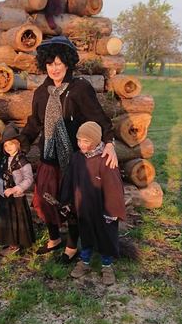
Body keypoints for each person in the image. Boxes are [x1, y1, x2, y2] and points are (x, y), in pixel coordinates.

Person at [19, 35, 118, 263]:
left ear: (67, 64)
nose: (54, 69)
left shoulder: (79, 88)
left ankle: (72, 246)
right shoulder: (41, 92)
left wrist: (109, 143)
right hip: (48, 157)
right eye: (50, 64)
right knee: (45, 200)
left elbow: (98, 117)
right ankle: (54, 239)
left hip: (74, 159)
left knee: (72, 203)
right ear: (44, 64)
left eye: (59, 63)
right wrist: (21, 142)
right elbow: (34, 122)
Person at [60, 121, 126, 285]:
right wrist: (67, 201)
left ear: (96, 141)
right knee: (86, 235)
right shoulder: (77, 158)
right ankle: (85, 262)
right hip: (83, 207)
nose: (81, 144)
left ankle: (107, 266)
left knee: (105, 237)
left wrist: (112, 212)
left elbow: (114, 187)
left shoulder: (106, 160)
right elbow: (69, 180)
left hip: (103, 210)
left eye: (86, 141)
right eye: (79, 140)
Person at [0, 126, 35, 255]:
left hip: (16, 198)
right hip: (4, 196)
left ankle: (15, 245)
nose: (8, 147)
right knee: (6, 219)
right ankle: (8, 240)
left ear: (18, 144)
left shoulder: (22, 161)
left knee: (15, 221)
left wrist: (15, 189)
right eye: (6, 145)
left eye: (11, 144)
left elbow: (28, 179)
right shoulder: (3, 160)